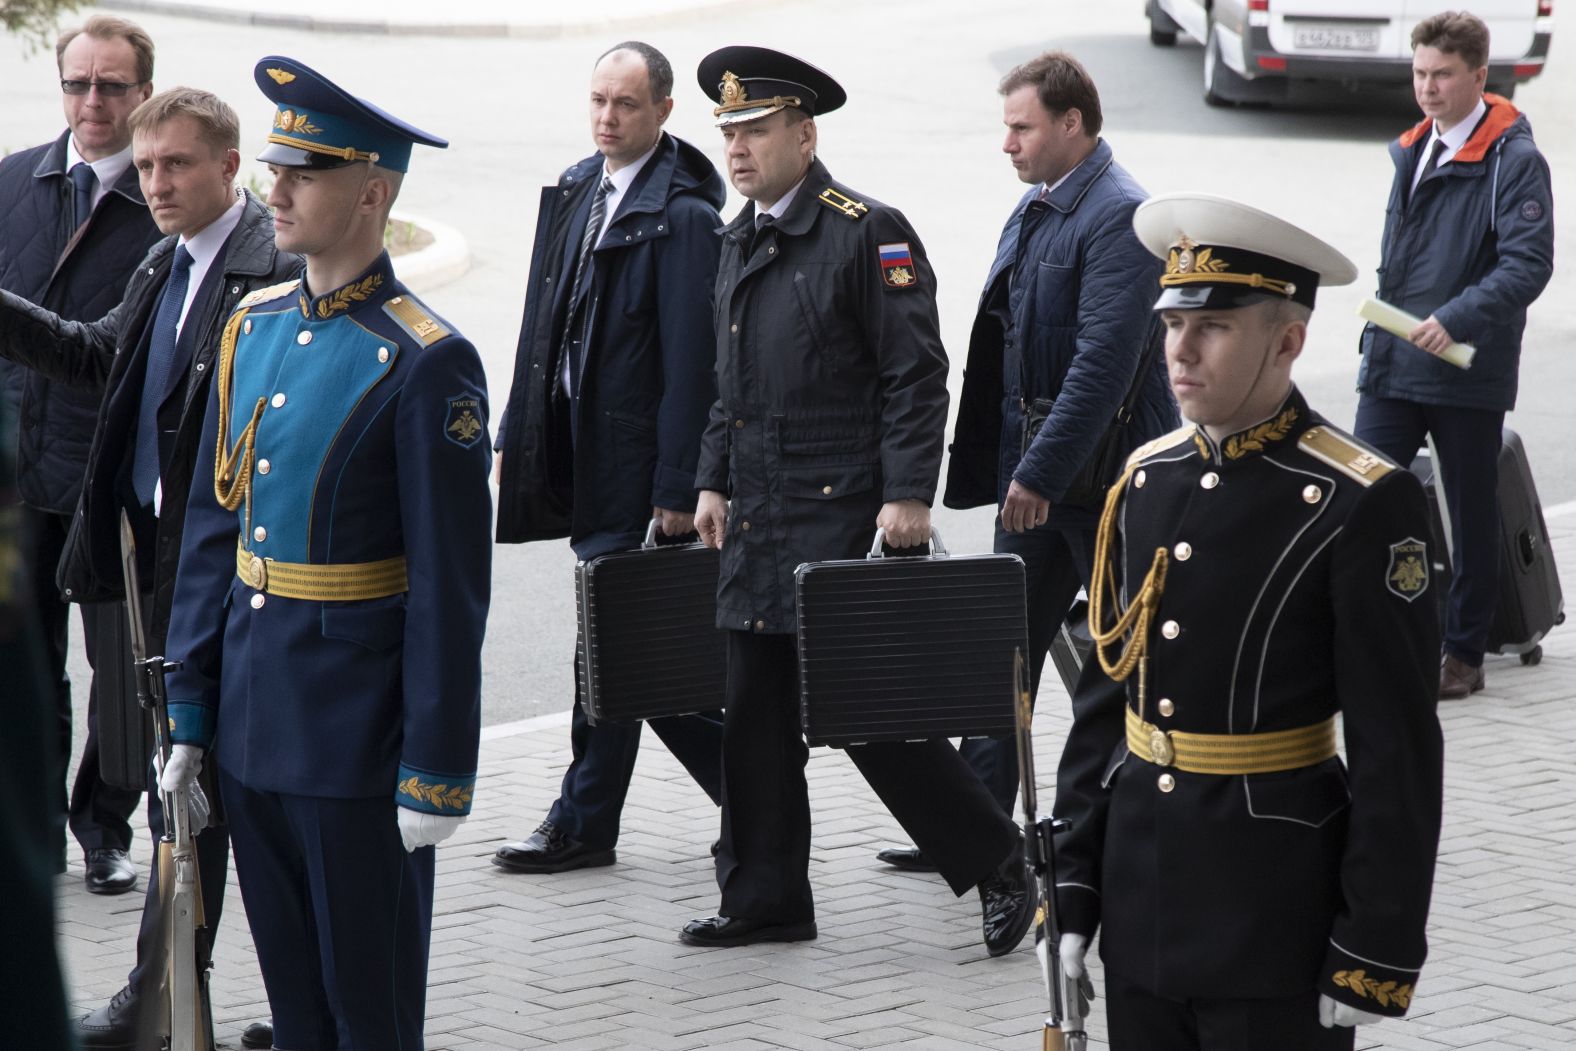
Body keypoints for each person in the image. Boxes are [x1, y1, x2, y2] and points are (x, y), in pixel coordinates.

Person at [1051, 192, 1445, 1050]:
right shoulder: (1146, 481)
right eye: (1171, 326)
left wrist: (1373, 946)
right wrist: (1074, 885)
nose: (1180, 351)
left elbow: (1397, 748)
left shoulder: (1360, 499)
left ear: (1288, 340)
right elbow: (1103, 709)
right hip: (1142, 902)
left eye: (1216, 327)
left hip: (1274, 916)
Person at [155, 57, 491, 1049]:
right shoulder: (251, 328)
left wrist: (435, 767)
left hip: (357, 737)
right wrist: (190, 708)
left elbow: (449, 587)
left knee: (369, 1012)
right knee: (296, 1006)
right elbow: (217, 536)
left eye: (307, 172)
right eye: (275, 168)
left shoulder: (426, 358)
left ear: (372, 194)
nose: (277, 190)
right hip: (256, 726)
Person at [681, 45, 1033, 956]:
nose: (739, 148)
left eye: (756, 129)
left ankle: (1001, 862)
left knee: (874, 717)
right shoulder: (737, 236)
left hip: (839, 512)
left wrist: (909, 493)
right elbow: (729, 384)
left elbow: (916, 374)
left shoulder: (865, 231)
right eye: (729, 133)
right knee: (752, 719)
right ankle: (765, 897)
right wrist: (711, 475)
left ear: (804, 133)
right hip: (757, 515)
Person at [0, 86, 295, 1051]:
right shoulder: (166, 260)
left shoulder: (269, 270)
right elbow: (96, 359)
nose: (157, 184)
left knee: (239, 796)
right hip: (154, 569)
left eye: (176, 165)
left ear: (229, 168)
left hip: (233, 580)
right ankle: (167, 992)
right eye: (149, 166)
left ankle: (237, 999)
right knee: (187, 792)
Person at [877, 51, 1177, 873]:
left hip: (1104, 483)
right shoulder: (1042, 204)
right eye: (1006, 127)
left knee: (1121, 662)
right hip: (1041, 478)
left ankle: (1103, 833)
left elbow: (1103, 366)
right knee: (999, 654)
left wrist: (1037, 474)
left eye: (1022, 127)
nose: (1006, 144)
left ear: (1072, 124)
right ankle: (974, 835)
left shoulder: (1119, 214)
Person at [492, 41, 725, 876]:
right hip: (579, 458)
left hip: (637, 473)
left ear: (663, 112)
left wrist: (675, 485)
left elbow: (694, 364)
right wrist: (518, 442)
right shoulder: (577, 188)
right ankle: (758, 794)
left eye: (626, 105)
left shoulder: (685, 217)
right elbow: (540, 329)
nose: (607, 119)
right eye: (597, 100)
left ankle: (583, 821)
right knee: (635, 654)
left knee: (609, 648)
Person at [0, 13, 161, 896]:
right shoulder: (11, 181)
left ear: (143, 94)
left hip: (105, 479)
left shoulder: (162, 193)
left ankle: (104, 827)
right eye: (76, 83)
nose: (91, 102)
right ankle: (34, 830)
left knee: (120, 673)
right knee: (27, 665)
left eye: (110, 86)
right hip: (18, 474)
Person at [1354, 9, 1554, 700]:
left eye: (1442, 75)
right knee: (1363, 496)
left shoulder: (1513, 159)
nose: (1428, 88)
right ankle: (1372, 635)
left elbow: (1529, 265)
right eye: (1419, 74)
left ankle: (1463, 652)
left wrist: (1454, 317)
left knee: (1470, 513)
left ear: (1478, 74)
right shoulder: (1414, 145)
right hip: (1393, 360)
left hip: (1466, 364)